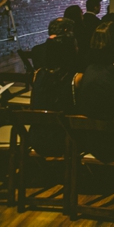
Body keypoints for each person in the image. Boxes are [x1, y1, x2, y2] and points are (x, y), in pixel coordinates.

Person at [30, 24, 79, 156]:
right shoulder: (76, 78)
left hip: (36, 138)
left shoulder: (38, 74)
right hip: (64, 140)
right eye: (75, 46)